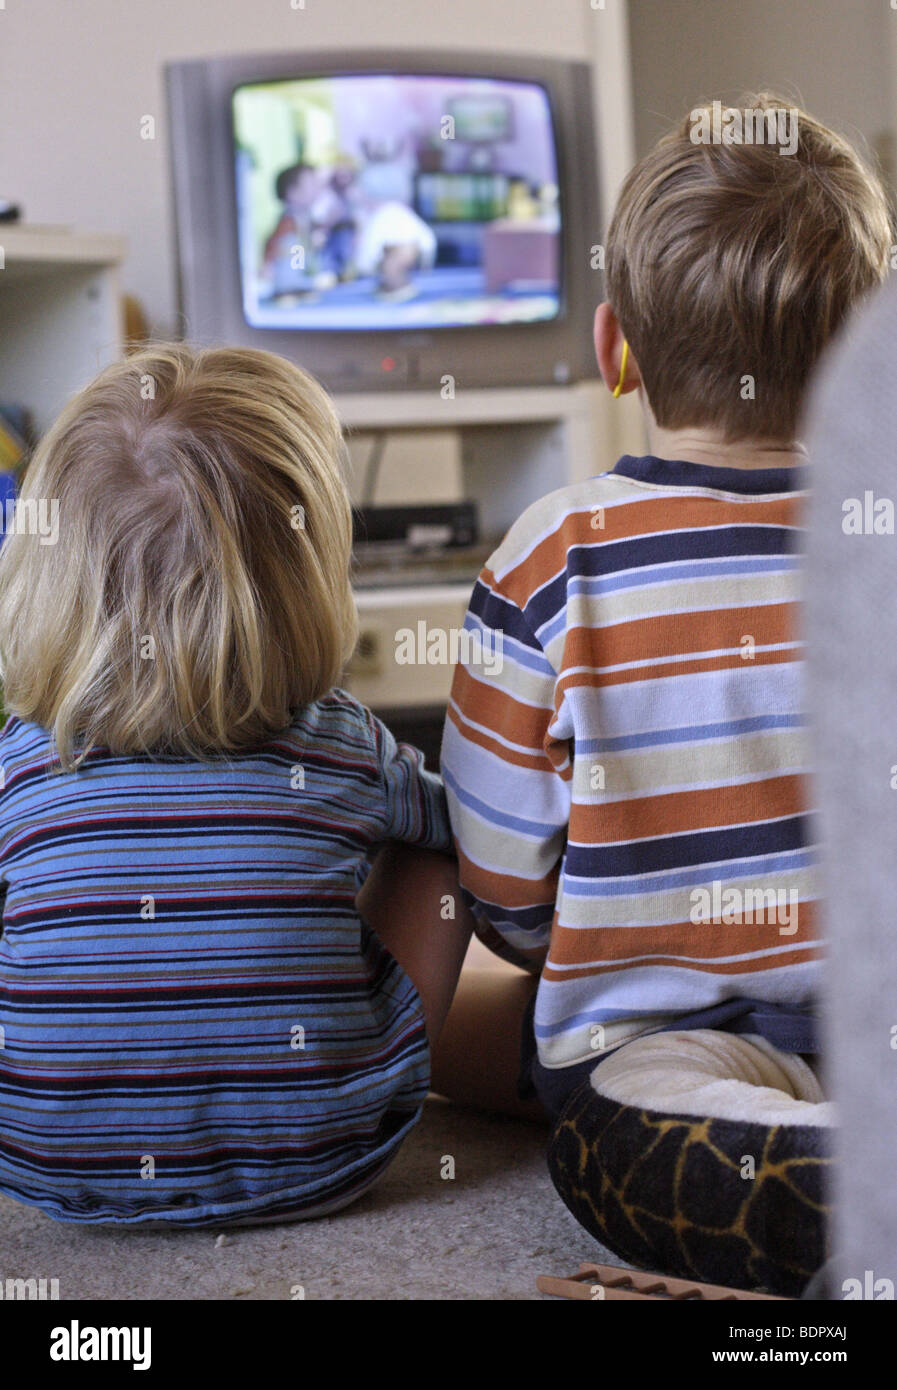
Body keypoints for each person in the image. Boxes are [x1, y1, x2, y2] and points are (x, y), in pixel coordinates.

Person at [437, 93, 891, 1123]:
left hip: (650, 1041)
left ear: (615, 351)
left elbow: (503, 898)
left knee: (446, 1031)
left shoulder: (546, 560)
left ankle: (755, 1137)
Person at [0, 344, 474, 1226]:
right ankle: (323, 1064)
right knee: (430, 858)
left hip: (45, 1165)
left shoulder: (24, 755)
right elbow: (462, 832)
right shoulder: (341, 746)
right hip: (326, 1155)